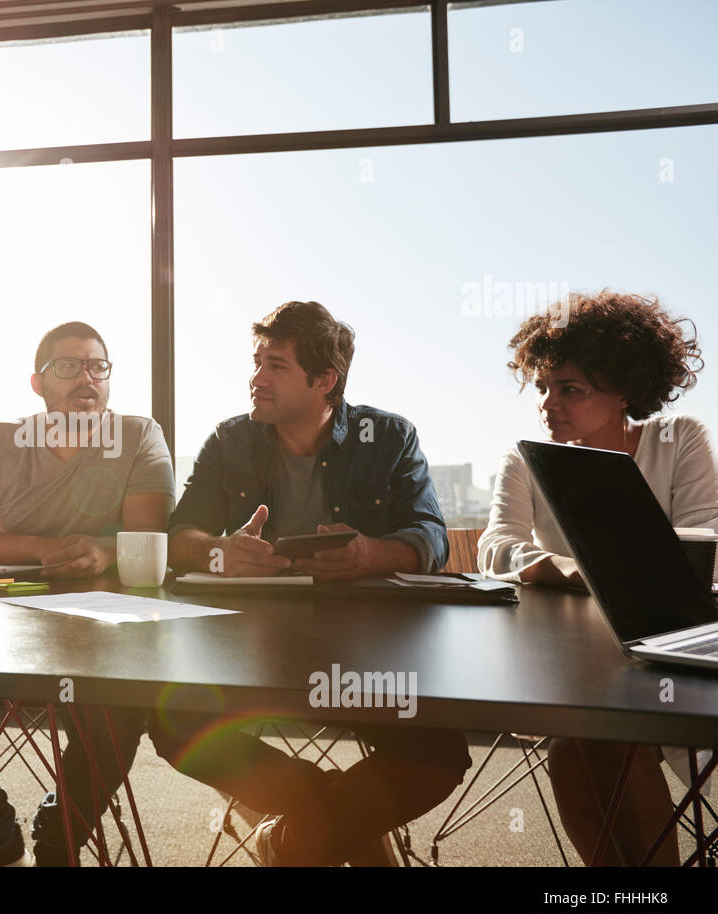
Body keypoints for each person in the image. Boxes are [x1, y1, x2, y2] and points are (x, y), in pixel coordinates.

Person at [162, 300, 471, 866]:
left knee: (438, 755)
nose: (255, 380)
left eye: (275, 366)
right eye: (257, 362)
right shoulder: (231, 440)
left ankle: (285, 841)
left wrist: (367, 555)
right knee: (172, 721)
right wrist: (215, 552)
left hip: (361, 653)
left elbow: (431, 536)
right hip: (249, 648)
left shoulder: (390, 436)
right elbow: (179, 532)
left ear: (324, 380)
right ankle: (339, 824)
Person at [0, 321, 175, 865]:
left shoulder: (139, 435)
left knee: (121, 710)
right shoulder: (0, 440)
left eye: (98, 366)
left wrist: (106, 553)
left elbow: (145, 535)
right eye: (68, 367)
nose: (86, 378)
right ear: (38, 384)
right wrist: (46, 549)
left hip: (106, 625)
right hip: (1, 616)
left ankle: (60, 832)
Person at [478, 290, 718, 866]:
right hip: (577, 665)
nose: (548, 404)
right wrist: (573, 567)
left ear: (624, 394)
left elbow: (703, 542)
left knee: (590, 741)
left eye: (571, 390)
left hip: (669, 653)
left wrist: (599, 569)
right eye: (542, 387)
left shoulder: (678, 439)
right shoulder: (529, 460)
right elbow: (495, 548)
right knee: (580, 741)